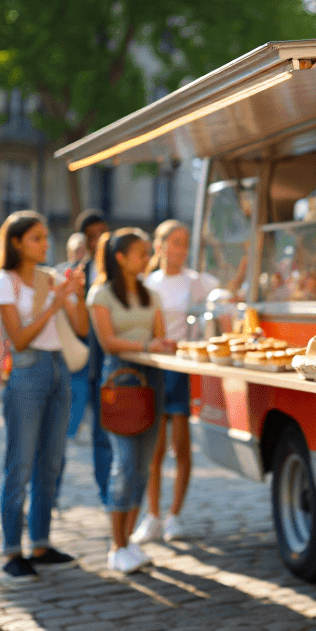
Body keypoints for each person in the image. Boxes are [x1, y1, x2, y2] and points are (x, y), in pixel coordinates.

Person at [0, 211, 90, 580]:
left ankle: (41, 544)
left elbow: (80, 328)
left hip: (59, 368)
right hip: (27, 370)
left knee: (52, 462)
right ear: (16, 242)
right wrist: (55, 302)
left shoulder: (50, 277)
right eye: (36, 238)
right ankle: (13, 550)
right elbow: (19, 338)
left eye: (46, 237)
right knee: (21, 463)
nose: (46, 244)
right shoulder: (6, 280)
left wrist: (75, 295)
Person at [87, 228, 174, 573]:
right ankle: (116, 544)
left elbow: (160, 335)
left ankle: (128, 542)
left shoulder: (151, 294)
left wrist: (163, 345)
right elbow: (108, 342)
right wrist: (146, 345)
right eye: (141, 252)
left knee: (143, 465)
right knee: (124, 463)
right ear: (120, 257)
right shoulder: (101, 294)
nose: (147, 257)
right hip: (120, 379)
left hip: (152, 380)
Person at [133, 220, 219, 543]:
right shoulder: (148, 283)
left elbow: (228, 292)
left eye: (185, 243)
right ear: (161, 245)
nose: (181, 249)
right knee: (154, 451)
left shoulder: (195, 282)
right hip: (155, 368)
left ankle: (174, 515)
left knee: (181, 445)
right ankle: (152, 515)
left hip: (181, 368)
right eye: (175, 242)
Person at [72, 210, 113, 503]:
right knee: (88, 433)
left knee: (111, 434)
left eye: (101, 233)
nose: (97, 240)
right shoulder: (77, 273)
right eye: (91, 236)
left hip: (111, 364)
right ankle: (104, 492)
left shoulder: (117, 273)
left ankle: (112, 492)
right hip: (82, 365)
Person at [57, 232, 91, 442]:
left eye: (82, 249)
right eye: (75, 249)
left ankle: (72, 429)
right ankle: (66, 429)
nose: (78, 253)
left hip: (84, 338)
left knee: (80, 388)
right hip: (63, 338)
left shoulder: (93, 273)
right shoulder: (59, 274)